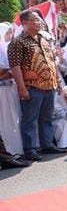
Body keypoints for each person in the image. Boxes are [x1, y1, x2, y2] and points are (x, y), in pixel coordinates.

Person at [7, 10, 66, 162]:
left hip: (49, 85)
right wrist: (21, 87)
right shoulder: (17, 42)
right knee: (30, 119)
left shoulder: (43, 39)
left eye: (40, 19)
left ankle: (47, 144)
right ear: (25, 23)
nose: (40, 22)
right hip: (32, 87)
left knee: (47, 117)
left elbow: (51, 61)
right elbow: (15, 67)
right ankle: (30, 149)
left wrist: (57, 81)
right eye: (36, 19)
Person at [0, 22, 26, 167]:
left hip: (11, 89)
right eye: (7, 33)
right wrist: (8, 72)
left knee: (14, 118)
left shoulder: (8, 48)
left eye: (11, 32)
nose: (9, 35)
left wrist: (10, 72)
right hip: (2, 91)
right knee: (4, 120)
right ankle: (7, 153)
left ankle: (13, 151)